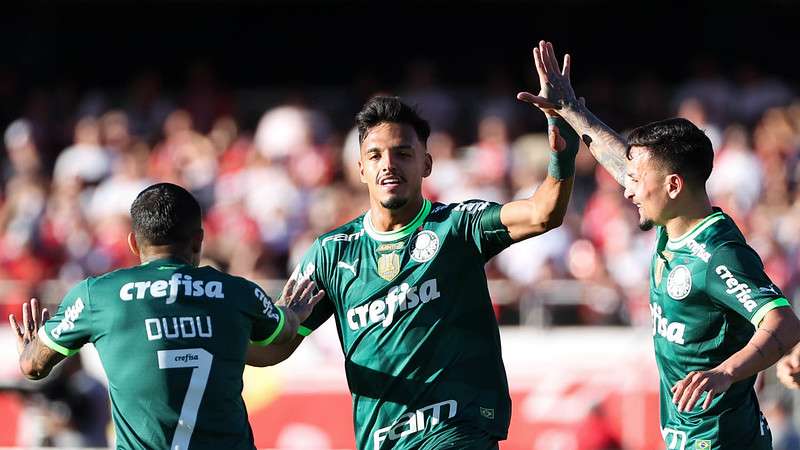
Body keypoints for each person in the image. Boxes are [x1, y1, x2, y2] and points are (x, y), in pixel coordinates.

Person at [247, 95, 579, 449]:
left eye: (403, 153)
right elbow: (273, 350)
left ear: (427, 164)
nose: (388, 165)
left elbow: (543, 213)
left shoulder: (458, 227)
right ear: (360, 168)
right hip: (381, 440)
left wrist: (562, 155)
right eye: (375, 156)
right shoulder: (331, 253)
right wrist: (221, 341)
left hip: (456, 429)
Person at [517, 40, 800, 450]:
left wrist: (725, 373)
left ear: (672, 186)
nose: (627, 190)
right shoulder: (672, 222)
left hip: (720, 441)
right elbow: (621, 161)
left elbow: (784, 323)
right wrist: (572, 111)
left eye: (637, 181)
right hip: (690, 436)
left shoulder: (714, 253)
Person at [9, 182, 323, 450]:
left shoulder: (96, 296)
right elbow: (281, 334)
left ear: (133, 242)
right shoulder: (238, 293)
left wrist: (31, 347)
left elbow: (32, 367)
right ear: (199, 240)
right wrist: (292, 313)